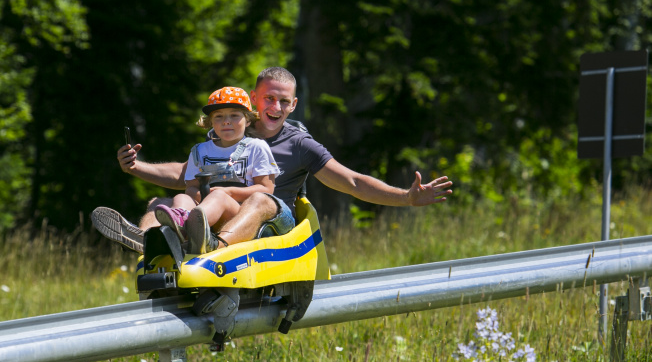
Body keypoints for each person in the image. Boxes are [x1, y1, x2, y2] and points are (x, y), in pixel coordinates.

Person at [92, 67, 453, 253]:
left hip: (270, 220)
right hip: (222, 211)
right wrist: (137, 168)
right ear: (253, 100)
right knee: (162, 202)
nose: (275, 108)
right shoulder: (228, 130)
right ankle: (150, 240)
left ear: (293, 105)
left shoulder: (299, 145)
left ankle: (215, 249)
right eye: (269, 99)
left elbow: (352, 181)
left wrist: (406, 197)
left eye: (284, 102)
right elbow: (187, 173)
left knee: (258, 198)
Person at [153, 86, 281, 253]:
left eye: (234, 115)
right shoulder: (199, 151)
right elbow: (191, 187)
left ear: (248, 120)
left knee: (219, 196)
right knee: (181, 198)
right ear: (211, 122)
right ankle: (182, 230)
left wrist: (227, 193)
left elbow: (266, 188)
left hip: (239, 215)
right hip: (206, 208)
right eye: (219, 117)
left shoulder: (256, 147)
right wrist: (202, 197)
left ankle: (191, 230)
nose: (226, 121)